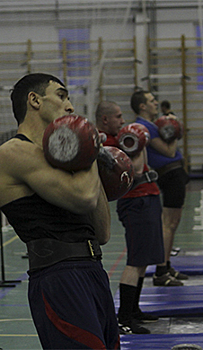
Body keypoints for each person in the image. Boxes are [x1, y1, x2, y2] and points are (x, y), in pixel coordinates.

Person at [0, 73, 119, 349]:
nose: (70, 106)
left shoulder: (63, 159)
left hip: (93, 270)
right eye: (62, 95)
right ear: (34, 100)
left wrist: (88, 156)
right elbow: (84, 197)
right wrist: (90, 149)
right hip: (60, 278)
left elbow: (103, 232)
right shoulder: (13, 152)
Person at [95, 101, 163, 335]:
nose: (122, 121)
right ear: (105, 120)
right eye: (118, 116)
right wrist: (139, 142)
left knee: (144, 258)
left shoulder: (122, 138)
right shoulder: (109, 143)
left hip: (147, 197)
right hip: (136, 201)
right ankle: (124, 318)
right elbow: (136, 169)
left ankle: (133, 310)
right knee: (135, 260)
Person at [131, 91, 189, 285]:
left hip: (174, 174)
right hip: (170, 174)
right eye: (152, 101)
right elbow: (169, 151)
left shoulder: (152, 125)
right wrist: (174, 129)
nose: (156, 103)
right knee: (169, 224)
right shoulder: (145, 127)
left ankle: (166, 265)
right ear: (142, 106)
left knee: (172, 222)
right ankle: (161, 271)